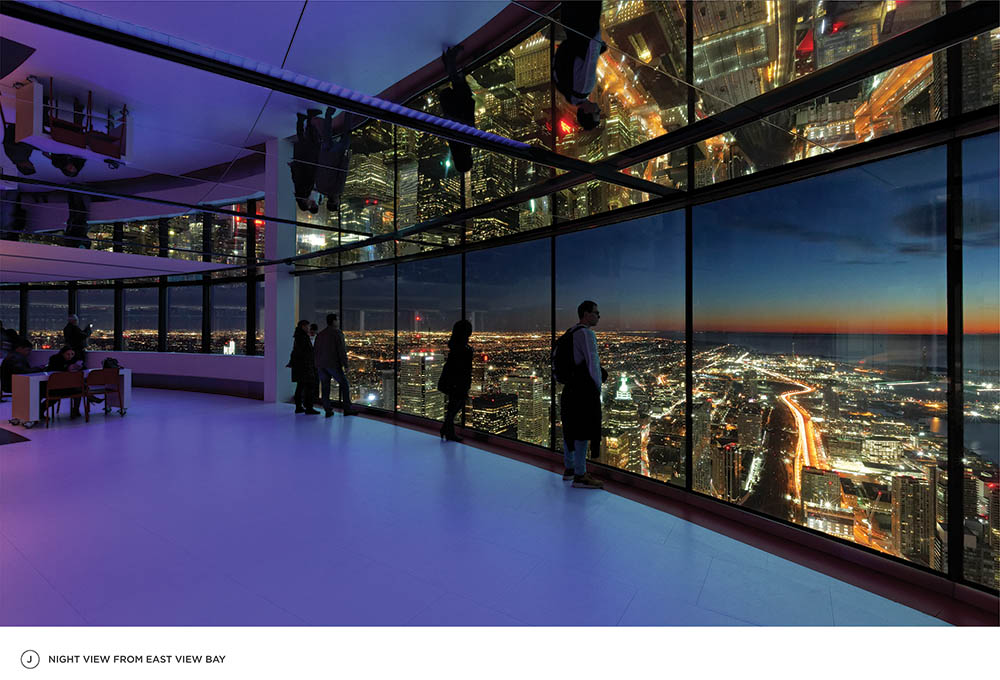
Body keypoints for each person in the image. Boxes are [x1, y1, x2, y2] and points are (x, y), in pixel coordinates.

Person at [559, 300, 605, 489]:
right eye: (596, 312)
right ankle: (580, 475)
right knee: (583, 431)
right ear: (586, 314)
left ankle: (569, 469)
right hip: (583, 391)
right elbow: (593, 364)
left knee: (570, 429)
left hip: (569, 389)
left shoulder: (570, 332)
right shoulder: (586, 334)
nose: (598, 316)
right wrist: (597, 389)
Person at [553, 1, 605, 131]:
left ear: (586, 112)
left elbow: (592, 55)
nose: (599, 110)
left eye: (596, 113)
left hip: (583, 24)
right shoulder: (568, 95)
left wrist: (597, 32)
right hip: (569, 24)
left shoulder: (585, 88)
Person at [438, 45, 475, 174]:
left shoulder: (464, 147)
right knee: (458, 82)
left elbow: (466, 125)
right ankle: (448, 60)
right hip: (454, 108)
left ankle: (450, 59)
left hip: (459, 109)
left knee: (459, 83)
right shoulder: (457, 149)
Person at [314, 313, 355, 418]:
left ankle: (328, 410)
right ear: (333, 321)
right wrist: (346, 365)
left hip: (321, 365)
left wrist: (317, 363)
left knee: (325, 387)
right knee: (344, 385)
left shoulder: (320, 334)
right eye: (337, 320)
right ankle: (347, 408)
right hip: (332, 364)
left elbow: (316, 350)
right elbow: (341, 350)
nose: (338, 322)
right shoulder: (337, 333)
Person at [437, 319, 473, 442]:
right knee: (456, 404)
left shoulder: (455, 344)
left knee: (454, 404)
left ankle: (447, 429)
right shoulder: (461, 347)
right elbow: (462, 366)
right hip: (458, 379)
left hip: (453, 378)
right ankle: (447, 430)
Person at [314, 108, 356, 209]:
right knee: (327, 134)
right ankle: (329, 113)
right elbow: (317, 172)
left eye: (338, 203)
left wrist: (346, 157)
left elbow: (342, 172)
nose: (339, 201)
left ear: (335, 203)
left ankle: (349, 112)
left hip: (336, 156)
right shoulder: (319, 188)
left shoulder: (337, 190)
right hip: (324, 156)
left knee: (346, 135)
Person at [290, 109, 322, 214]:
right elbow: (296, 177)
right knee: (304, 140)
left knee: (308, 140)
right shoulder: (300, 193)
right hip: (303, 163)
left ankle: (307, 119)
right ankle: (304, 119)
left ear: (304, 203)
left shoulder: (304, 193)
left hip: (307, 163)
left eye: (308, 205)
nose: (310, 204)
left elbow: (305, 178)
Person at [45, 345, 88, 418]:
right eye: (68, 354)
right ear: (62, 353)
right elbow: (55, 370)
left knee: (79, 387)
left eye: (72, 354)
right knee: (80, 388)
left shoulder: (73, 360)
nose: (70, 356)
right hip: (56, 386)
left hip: (66, 386)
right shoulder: (55, 360)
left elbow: (84, 368)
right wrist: (68, 368)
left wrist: (79, 366)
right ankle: (78, 408)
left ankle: (76, 409)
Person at [288, 319, 319, 415]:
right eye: (307, 326)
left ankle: (299, 406)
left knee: (300, 386)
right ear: (303, 326)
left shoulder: (298, 336)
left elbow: (297, 352)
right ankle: (309, 407)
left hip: (300, 366)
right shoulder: (303, 337)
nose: (309, 328)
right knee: (309, 386)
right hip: (305, 366)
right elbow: (306, 353)